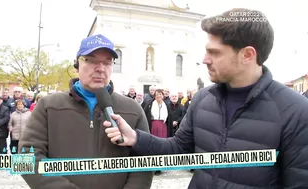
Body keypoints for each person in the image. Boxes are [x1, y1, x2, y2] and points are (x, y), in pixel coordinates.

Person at [103, 8, 308, 188]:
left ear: (247, 55)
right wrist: (136, 138)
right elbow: (178, 149)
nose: (204, 59)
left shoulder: (295, 111)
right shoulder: (203, 99)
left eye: (214, 52)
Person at [18, 34, 153, 189]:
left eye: (107, 62)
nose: (100, 68)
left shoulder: (132, 109)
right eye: (91, 60)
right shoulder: (49, 106)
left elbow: (144, 163)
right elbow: (26, 159)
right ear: (77, 64)